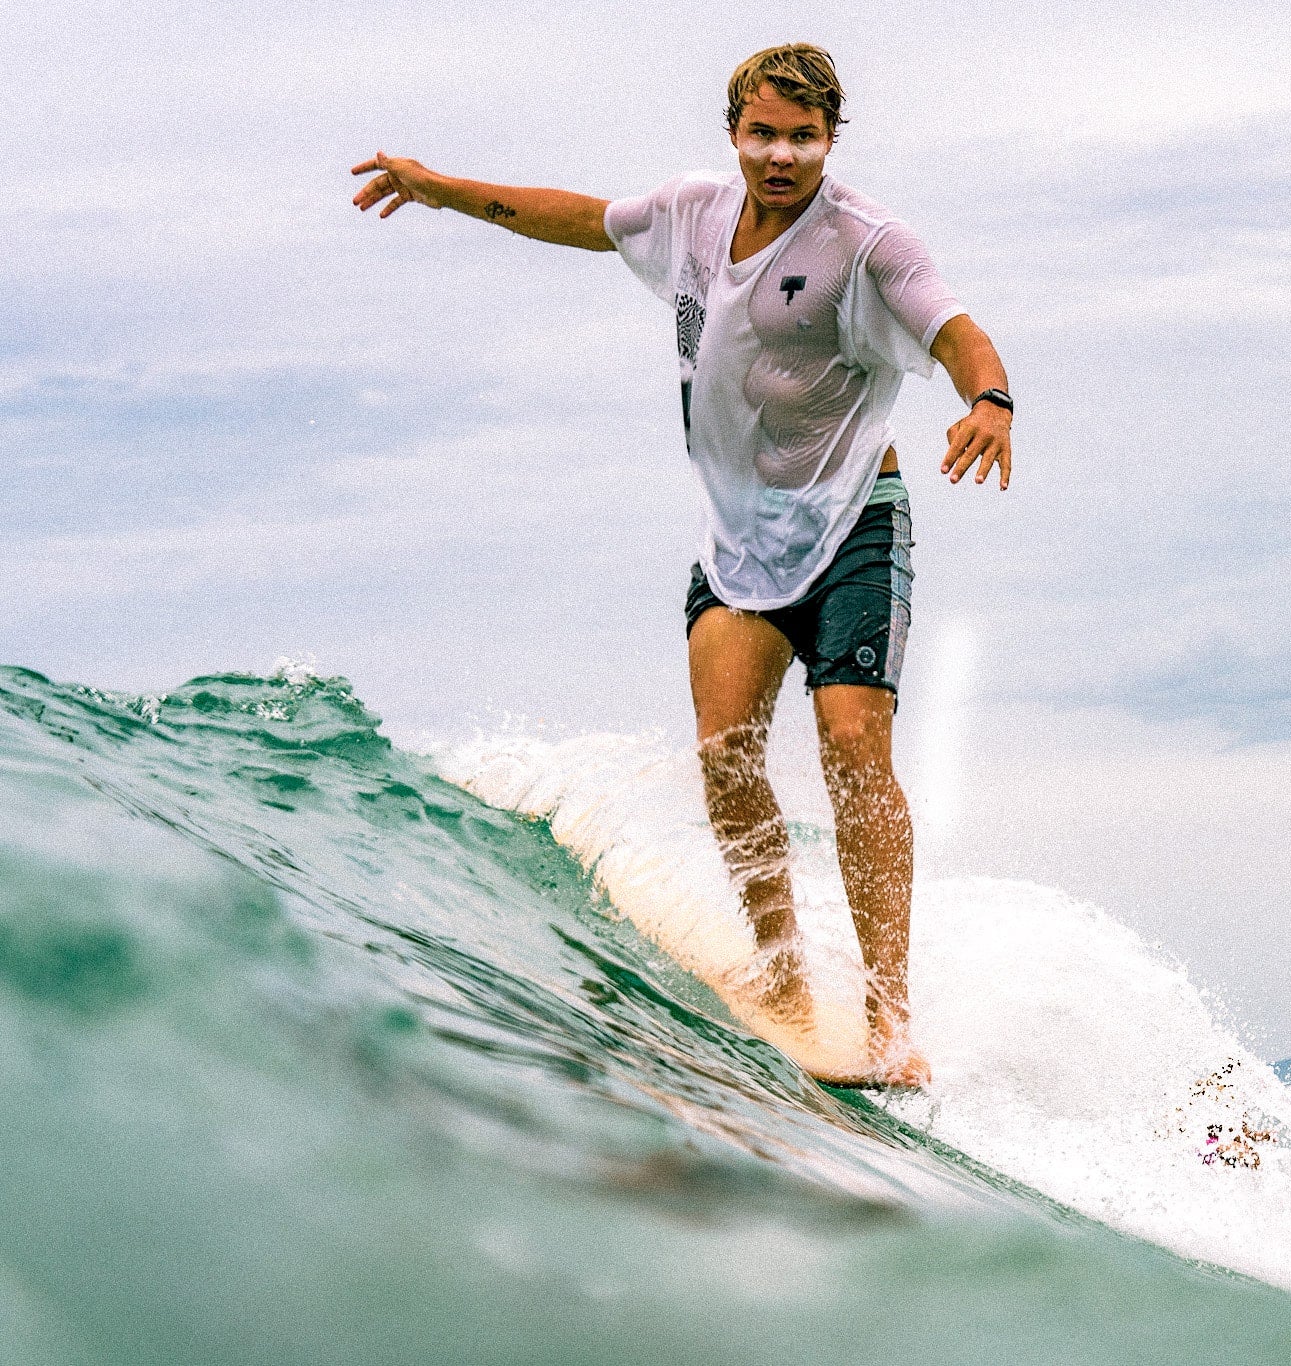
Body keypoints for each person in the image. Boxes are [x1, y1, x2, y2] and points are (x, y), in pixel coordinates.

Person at [352, 43, 1012, 1087]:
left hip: (854, 523)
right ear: (734, 132)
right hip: (740, 540)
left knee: (850, 736)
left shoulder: (869, 244)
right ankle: (784, 975)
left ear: (831, 138)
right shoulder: (691, 215)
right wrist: (441, 192)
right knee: (724, 753)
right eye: (763, 132)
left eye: (802, 136)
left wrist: (989, 399)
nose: (781, 153)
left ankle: (890, 1018)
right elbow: (576, 218)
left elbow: (952, 325)